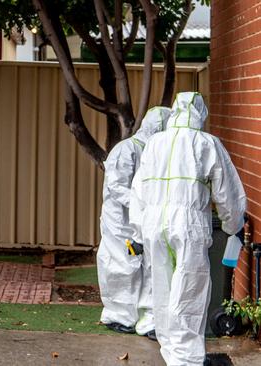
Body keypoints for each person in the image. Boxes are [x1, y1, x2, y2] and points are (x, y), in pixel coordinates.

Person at [130, 92, 247, 366]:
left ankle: (173, 355)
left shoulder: (155, 143)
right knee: (189, 292)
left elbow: (138, 191)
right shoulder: (206, 143)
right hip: (188, 224)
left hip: (154, 225)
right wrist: (233, 225)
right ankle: (187, 361)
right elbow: (227, 191)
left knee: (163, 290)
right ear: (200, 115)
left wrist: (139, 231)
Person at [97, 106, 171, 340]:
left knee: (149, 267)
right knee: (122, 266)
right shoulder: (126, 149)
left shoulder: (154, 151)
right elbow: (116, 186)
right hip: (120, 224)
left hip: (142, 221)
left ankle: (145, 318)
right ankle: (119, 316)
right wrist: (144, 204)